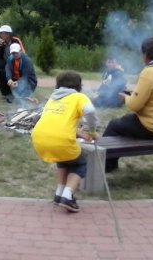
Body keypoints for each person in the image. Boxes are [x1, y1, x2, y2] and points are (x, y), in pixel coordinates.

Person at [102, 37, 153, 172]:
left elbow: (134, 106)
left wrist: (126, 98)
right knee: (125, 123)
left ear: (145, 55)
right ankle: (111, 163)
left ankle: (105, 165)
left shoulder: (148, 73)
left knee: (114, 126)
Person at [31, 71, 99, 213]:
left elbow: (57, 122)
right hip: (60, 140)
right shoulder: (78, 97)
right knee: (80, 164)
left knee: (63, 158)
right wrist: (92, 132)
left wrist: (79, 133)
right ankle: (67, 196)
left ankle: (59, 193)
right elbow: (90, 111)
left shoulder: (53, 98)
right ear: (78, 85)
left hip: (39, 138)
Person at [0, 25, 25, 103]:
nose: (0, 35)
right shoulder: (1, 42)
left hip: (17, 62)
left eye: (1, 33)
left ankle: (21, 92)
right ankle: (6, 93)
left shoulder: (15, 40)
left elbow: (23, 53)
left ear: (7, 34)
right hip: (6, 63)